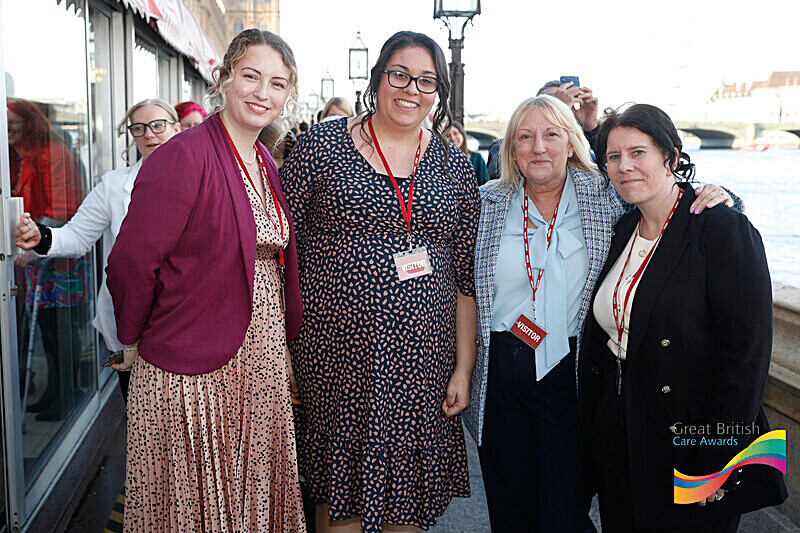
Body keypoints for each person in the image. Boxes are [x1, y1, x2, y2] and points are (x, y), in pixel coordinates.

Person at [462, 95, 735, 532]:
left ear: (572, 142)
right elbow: (458, 279)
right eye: (525, 137)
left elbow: (668, 199)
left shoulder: (604, 194)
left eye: (551, 135)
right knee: (509, 509)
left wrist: (722, 195)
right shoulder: (486, 202)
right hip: (501, 371)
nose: (538, 147)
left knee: (564, 511)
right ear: (511, 148)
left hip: (571, 370)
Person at [105, 29, 306, 531]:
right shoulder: (184, 154)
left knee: (248, 500)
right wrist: (133, 337)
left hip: (259, 362)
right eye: (251, 76)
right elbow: (131, 262)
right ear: (224, 79)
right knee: (194, 508)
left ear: (288, 95)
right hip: (191, 363)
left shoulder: (263, 160)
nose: (263, 93)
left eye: (277, 83)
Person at [280, 31, 479, 533]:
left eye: (427, 80)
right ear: (377, 79)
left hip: (421, 367)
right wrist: (282, 352)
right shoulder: (321, 146)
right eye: (400, 75)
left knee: (405, 511)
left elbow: (465, 278)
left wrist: (463, 368)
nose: (412, 89)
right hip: (334, 361)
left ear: (439, 92)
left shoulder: (454, 164)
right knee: (339, 506)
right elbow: (279, 255)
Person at [578, 103, 787, 532]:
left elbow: (746, 357)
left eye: (638, 152)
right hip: (621, 431)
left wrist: (715, 460)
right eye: (614, 156)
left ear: (670, 157)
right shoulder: (623, 229)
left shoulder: (721, 228)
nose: (624, 166)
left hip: (690, 436)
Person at [14, 98, 181, 403]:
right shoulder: (113, 185)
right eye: (139, 128)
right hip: (129, 328)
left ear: (177, 129)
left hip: (185, 323)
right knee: (140, 418)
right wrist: (40, 236)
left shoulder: (202, 181)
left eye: (158, 125)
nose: (149, 134)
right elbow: (77, 237)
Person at [7, 97, 87, 421]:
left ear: (29, 124)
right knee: (46, 329)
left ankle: (67, 393)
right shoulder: (19, 155)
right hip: (34, 254)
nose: (8, 129)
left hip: (57, 254)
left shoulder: (53, 153)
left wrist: (33, 248)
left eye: (13, 123)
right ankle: (54, 391)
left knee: (59, 329)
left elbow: (63, 207)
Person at [487, 79, 600, 180]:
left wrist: (590, 128)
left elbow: (604, 171)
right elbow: (503, 177)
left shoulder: (591, 186)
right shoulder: (500, 148)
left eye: (551, 134)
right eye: (546, 101)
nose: (538, 148)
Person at [446, 121, 489, 185]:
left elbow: (485, 184)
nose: (453, 138)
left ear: (462, 134)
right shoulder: (442, 161)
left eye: (455, 133)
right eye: (448, 136)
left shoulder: (477, 158)